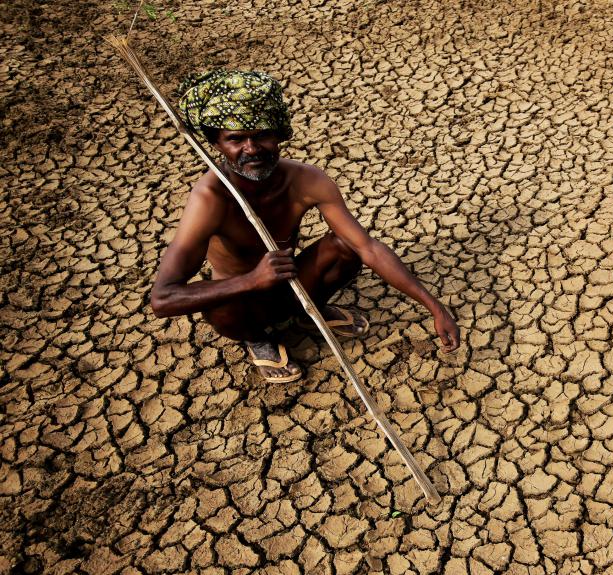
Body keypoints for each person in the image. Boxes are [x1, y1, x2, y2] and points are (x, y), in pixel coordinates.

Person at [150, 69, 460, 383]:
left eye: (262, 134)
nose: (252, 148)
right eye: (235, 139)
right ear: (216, 143)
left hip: (292, 282)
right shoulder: (210, 199)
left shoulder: (306, 180)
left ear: (280, 133)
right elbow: (163, 298)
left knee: (345, 247)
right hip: (245, 303)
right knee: (221, 308)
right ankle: (258, 339)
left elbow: (369, 248)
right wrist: (252, 280)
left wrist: (434, 307)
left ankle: (306, 312)